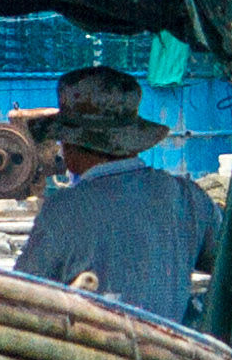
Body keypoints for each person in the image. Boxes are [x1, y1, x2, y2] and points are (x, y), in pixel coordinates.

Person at [12, 64, 215, 326]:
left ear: (71, 143)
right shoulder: (188, 198)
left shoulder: (62, 212)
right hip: (174, 358)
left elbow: (20, 300)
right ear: (132, 138)